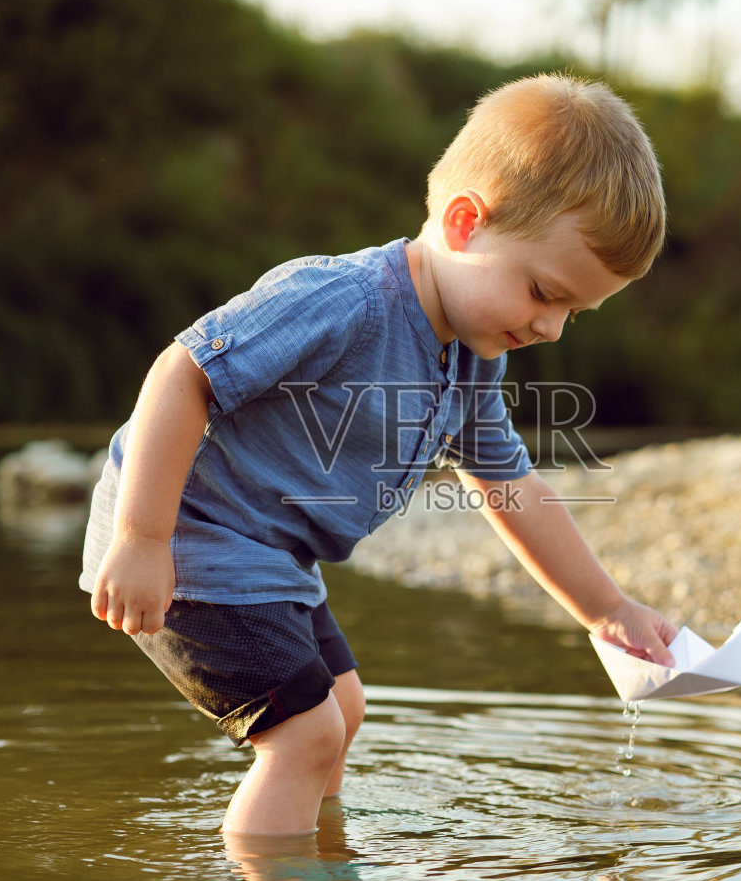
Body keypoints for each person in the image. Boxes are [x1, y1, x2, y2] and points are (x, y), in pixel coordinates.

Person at [80, 73, 677, 836]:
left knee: (342, 708)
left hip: (270, 561)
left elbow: (510, 486)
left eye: (573, 311)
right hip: (188, 541)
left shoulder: (471, 360)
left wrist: (609, 612)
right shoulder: (346, 301)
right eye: (541, 291)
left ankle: (318, 860)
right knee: (306, 733)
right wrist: (142, 539)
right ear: (463, 223)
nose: (551, 327)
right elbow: (182, 373)